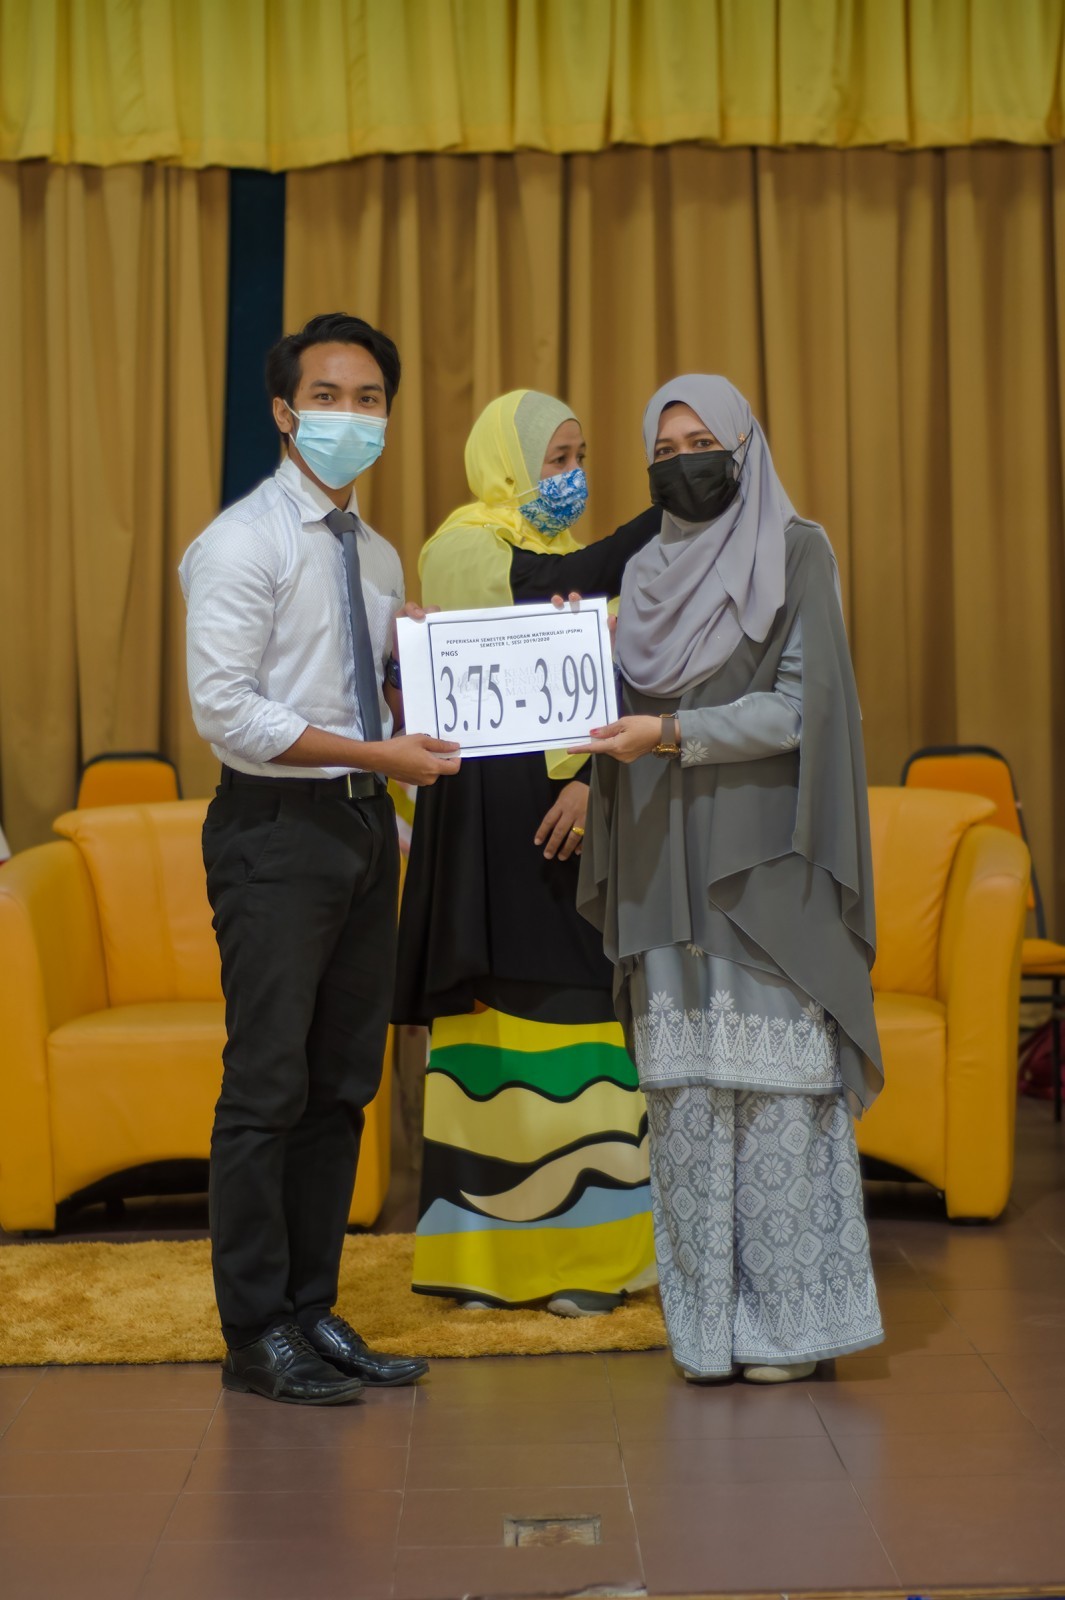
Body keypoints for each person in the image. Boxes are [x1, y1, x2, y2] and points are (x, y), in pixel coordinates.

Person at [575, 375, 884, 1382]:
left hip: (763, 862)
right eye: (664, 450)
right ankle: (707, 1334)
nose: (684, 463)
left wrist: (673, 732)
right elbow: (603, 705)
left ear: (744, 447)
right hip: (660, 860)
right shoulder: (642, 574)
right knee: (686, 1105)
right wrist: (570, 652)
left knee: (781, 1098)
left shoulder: (797, 551)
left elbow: (800, 709)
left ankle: (791, 1330)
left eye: (702, 442)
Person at [179, 312, 461, 1405]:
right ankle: (255, 1331)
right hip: (274, 830)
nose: (352, 415)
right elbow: (227, 713)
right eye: (328, 397)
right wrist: (376, 751)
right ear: (285, 413)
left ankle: (310, 1309)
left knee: (343, 1082)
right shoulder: (242, 543)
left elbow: (373, 691)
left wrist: (429, 658)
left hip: (360, 830)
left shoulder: (376, 553)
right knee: (268, 1083)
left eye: (370, 398)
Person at [393, 389, 660, 1314]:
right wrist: (664, 510)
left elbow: (617, 688)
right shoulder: (462, 545)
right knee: (488, 1033)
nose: (572, 474)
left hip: (573, 815)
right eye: (556, 458)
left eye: (579, 456)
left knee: (579, 1025)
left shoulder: (575, 564)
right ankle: (486, 1263)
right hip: (482, 824)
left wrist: (593, 781)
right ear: (505, 462)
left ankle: (593, 1258)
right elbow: (559, 587)